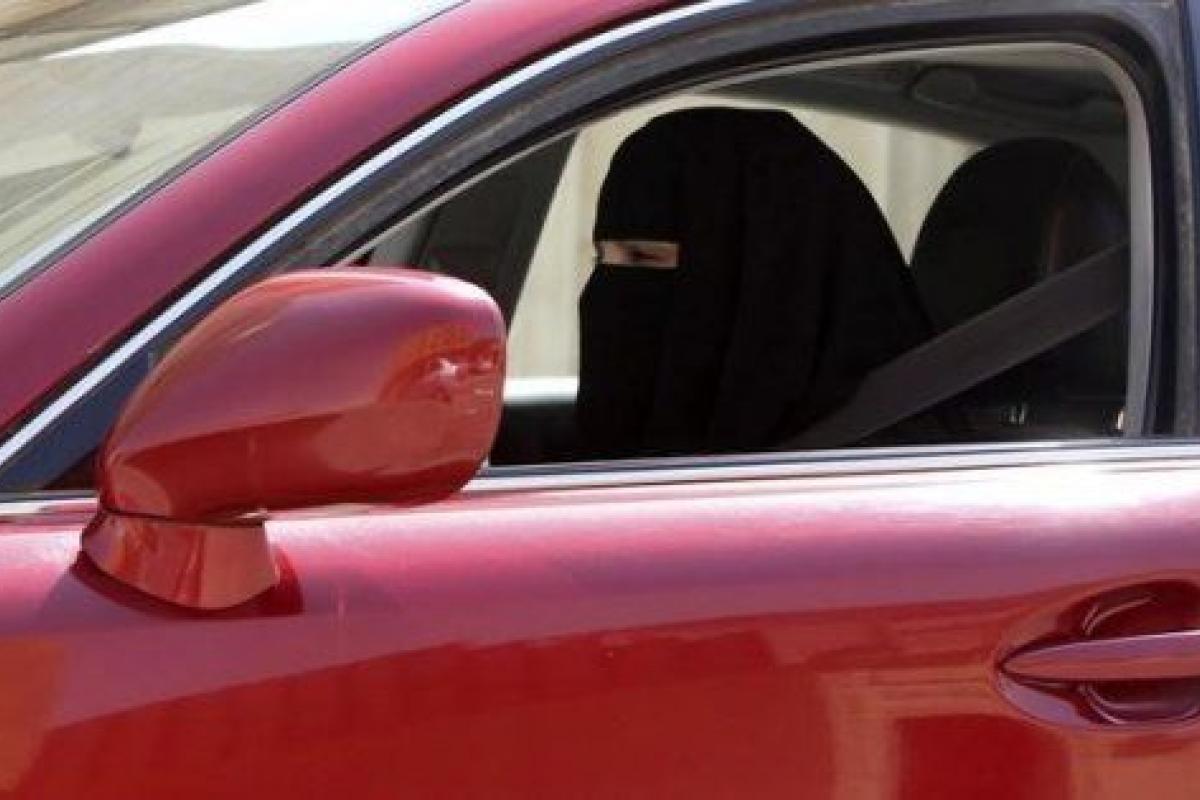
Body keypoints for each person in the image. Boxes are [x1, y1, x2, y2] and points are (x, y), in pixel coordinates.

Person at [575, 107, 932, 460]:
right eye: (600, 258)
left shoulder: (881, 468)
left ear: (766, 278)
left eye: (642, 258)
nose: (605, 288)